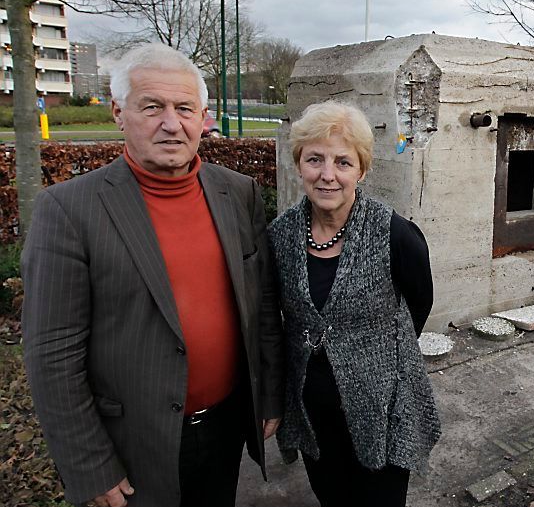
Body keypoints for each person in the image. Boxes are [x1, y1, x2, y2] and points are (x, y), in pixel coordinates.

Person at [21, 43, 284, 507]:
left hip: (224, 428)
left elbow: (261, 305)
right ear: (120, 113)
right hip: (132, 445)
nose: (171, 122)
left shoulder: (238, 193)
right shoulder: (68, 210)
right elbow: (51, 354)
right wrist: (88, 463)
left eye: (184, 108)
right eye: (152, 107)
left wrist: (268, 397)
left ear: (203, 116)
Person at [268, 101, 440, 507]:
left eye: (343, 162)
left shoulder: (396, 234)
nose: (328, 175)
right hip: (314, 413)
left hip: (381, 411)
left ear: (361, 170)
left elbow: (419, 303)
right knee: (331, 497)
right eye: (315, 159)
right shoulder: (278, 237)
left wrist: (371, 354)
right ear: (299, 165)